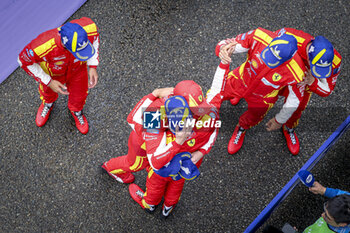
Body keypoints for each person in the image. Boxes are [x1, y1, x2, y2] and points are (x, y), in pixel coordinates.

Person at [102, 80, 222, 217]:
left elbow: (214, 126)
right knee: (135, 164)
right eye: (194, 111)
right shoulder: (157, 112)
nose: (201, 114)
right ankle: (110, 168)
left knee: (164, 182)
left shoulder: (206, 111)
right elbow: (134, 120)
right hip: (146, 145)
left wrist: (200, 151)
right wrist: (156, 93)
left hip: (168, 158)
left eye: (200, 108)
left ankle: (152, 205)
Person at [215, 27, 307, 154]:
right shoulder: (259, 35)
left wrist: (279, 120)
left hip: (263, 98)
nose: (267, 60)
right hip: (239, 80)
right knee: (215, 95)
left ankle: (241, 128)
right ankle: (201, 115)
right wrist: (222, 49)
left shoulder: (298, 73)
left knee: (253, 116)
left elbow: (294, 99)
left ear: (289, 59)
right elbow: (232, 43)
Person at [264, 28, 342, 155]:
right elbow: (268, 48)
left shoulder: (336, 61)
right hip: (282, 74)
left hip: (304, 84)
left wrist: (312, 82)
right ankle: (242, 93)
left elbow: (327, 90)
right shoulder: (290, 36)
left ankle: (289, 128)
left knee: (298, 107)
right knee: (261, 90)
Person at [18, 17, 100, 134]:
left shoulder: (90, 28)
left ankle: (76, 110)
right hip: (52, 74)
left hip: (78, 70)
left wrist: (92, 65)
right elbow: (22, 61)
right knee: (48, 92)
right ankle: (48, 103)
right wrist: (48, 81)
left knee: (80, 94)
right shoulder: (42, 45)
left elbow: (95, 39)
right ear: (65, 46)